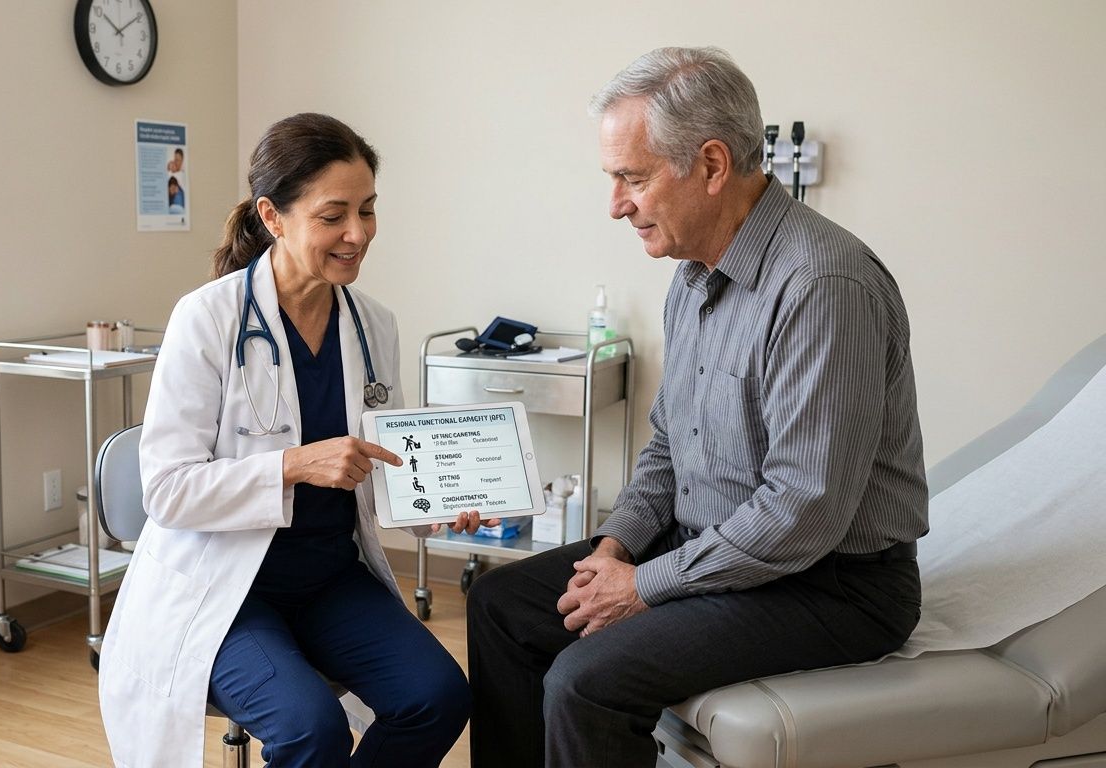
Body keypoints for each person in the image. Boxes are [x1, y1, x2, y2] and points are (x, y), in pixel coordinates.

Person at [466, 47, 929, 767]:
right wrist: (616, 546)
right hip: (710, 545)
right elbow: (666, 445)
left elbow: (803, 508)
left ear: (712, 166)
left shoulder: (823, 285)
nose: (616, 204)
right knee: (503, 607)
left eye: (633, 178)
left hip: (831, 586)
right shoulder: (693, 274)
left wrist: (643, 585)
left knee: (585, 682)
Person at [99, 112, 479, 768]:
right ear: (273, 217)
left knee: (438, 696)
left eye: (368, 210)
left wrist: (438, 504)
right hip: (222, 592)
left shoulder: (372, 326)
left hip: (330, 580)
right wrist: (293, 465)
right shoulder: (208, 320)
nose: (357, 234)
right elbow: (166, 490)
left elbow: (387, 466)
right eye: (334, 215)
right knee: (313, 730)